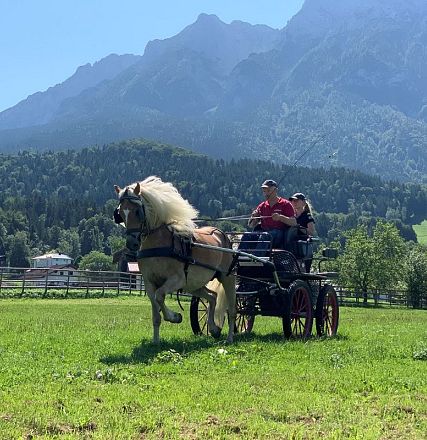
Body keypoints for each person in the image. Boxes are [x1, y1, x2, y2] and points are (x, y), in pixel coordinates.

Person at [248, 180, 296, 248]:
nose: (266, 194)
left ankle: (257, 257)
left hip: (279, 233)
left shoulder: (285, 204)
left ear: (275, 190)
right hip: (264, 232)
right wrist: (254, 217)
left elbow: (294, 222)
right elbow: (251, 225)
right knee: (247, 236)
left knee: (265, 236)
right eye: (264, 191)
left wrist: (280, 217)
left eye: (268, 191)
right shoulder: (262, 206)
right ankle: (239, 256)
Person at [289, 192, 316, 272]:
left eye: (297, 200)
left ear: (303, 202)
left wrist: (298, 226)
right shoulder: (291, 216)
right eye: (293, 201)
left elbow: (311, 232)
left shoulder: (307, 216)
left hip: (302, 246)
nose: (294, 202)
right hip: (291, 244)